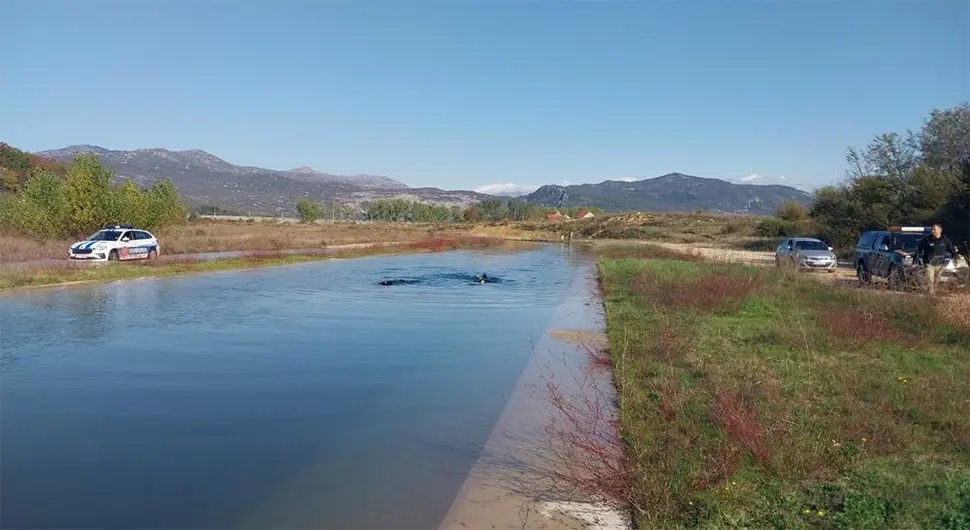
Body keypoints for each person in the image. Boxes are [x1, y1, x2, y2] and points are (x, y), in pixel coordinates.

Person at [916, 223, 956, 295]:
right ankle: (931, 293)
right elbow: (920, 249)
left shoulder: (945, 240)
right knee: (930, 278)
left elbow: (951, 250)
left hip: (940, 263)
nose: (932, 231)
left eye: (934, 229)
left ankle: (933, 290)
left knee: (937, 279)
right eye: (932, 229)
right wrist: (919, 257)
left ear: (940, 230)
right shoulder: (927, 239)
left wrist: (954, 257)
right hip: (929, 263)